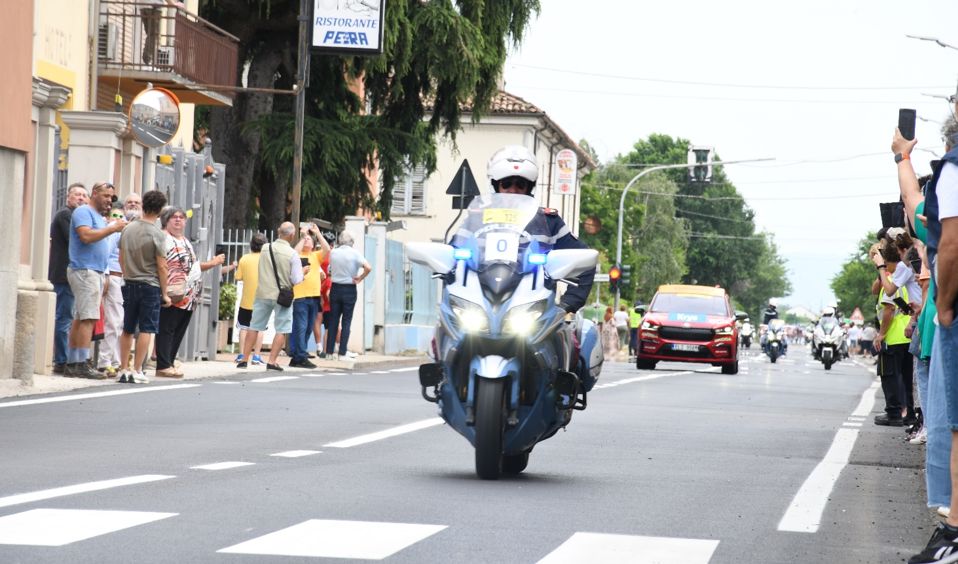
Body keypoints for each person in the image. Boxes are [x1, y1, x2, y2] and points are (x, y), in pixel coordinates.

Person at [907, 114, 958, 563]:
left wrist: (943, 305)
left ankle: (955, 532)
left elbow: (951, 243)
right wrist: (902, 158)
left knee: (953, 421)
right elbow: (914, 210)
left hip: (950, 314)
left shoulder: (955, 171)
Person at [484, 145, 595, 313]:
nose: (513, 190)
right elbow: (454, 255)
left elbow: (584, 260)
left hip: (534, 312)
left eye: (520, 184)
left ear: (529, 187)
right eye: (506, 184)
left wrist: (567, 304)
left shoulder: (549, 222)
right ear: (496, 185)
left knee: (572, 335)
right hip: (482, 307)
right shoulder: (479, 218)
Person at [156, 206, 226, 378]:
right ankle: (163, 364)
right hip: (173, 290)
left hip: (189, 294)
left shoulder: (185, 241)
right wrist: (212, 263)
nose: (178, 220)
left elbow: (192, 266)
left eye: (181, 217)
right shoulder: (165, 238)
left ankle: (170, 361)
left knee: (178, 329)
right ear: (166, 220)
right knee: (167, 327)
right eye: (174, 217)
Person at [65, 181, 126, 378]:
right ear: (94, 194)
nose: (109, 200)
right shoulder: (84, 212)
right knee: (89, 317)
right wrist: (112, 229)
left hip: (95, 271)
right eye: (106, 196)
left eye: (111, 197)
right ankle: (81, 363)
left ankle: (73, 362)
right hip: (85, 270)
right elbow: (85, 236)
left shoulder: (99, 217)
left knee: (80, 316)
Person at [116, 191, 169, 384]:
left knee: (128, 327)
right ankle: (138, 369)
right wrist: (166, 293)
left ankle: (123, 368)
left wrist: (128, 273)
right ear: (161, 210)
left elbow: (121, 258)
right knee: (147, 328)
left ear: (143, 205)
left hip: (129, 282)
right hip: (150, 284)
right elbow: (162, 266)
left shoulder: (127, 229)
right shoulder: (157, 234)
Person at [238, 222, 305, 371]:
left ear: (278, 232)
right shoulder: (292, 254)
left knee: (254, 326)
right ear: (292, 235)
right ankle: (272, 361)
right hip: (282, 296)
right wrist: (304, 272)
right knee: (282, 328)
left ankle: (244, 359)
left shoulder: (265, 248)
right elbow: (296, 279)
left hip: (262, 292)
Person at [872, 241, 916, 427]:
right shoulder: (904, 276)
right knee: (907, 378)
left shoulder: (892, 280)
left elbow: (888, 310)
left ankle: (893, 412)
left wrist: (881, 334)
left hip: (893, 336)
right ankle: (910, 413)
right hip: (907, 336)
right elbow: (874, 289)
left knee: (889, 376)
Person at [49, 183, 87, 374]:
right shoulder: (66, 215)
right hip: (63, 275)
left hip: (71, 274)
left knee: (69, 317)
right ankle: (61, 360)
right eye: (77, 195)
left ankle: (68, 358)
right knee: (64, 318)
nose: (80, 198)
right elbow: (77, 240)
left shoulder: (77, 216)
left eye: (83, 195)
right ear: (68, 198)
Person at [324, 231, 371, 360]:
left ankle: (329, 352)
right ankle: (342, 353)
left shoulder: (333, 252)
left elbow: (329, 270)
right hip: (349, 288)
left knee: (333, 320)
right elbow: (368, 267)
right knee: (346, 321)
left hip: (335, 288)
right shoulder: (355, 253)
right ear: (351, 242)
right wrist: (360, 277)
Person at [290, 224, 331, 368]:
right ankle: (300, 356)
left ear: (313, 245)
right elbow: (293, 251)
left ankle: (296, 355)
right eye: (305, 239)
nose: (307, 241)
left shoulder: (315, 256)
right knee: (301, 326)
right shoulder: (297, 255)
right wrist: (302, 237)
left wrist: (317, 233)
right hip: (300, 296)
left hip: (314, 297)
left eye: (309, 239)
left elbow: (327, 248)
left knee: (307, 328)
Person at [234, 233, 267, 366]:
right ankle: (256, 356)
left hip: (247, 300)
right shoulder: (266, 259)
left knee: (244, 327)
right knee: (260, 328)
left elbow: (238, 277)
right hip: (262, 299)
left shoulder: (244, 258)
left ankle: (242, 354)